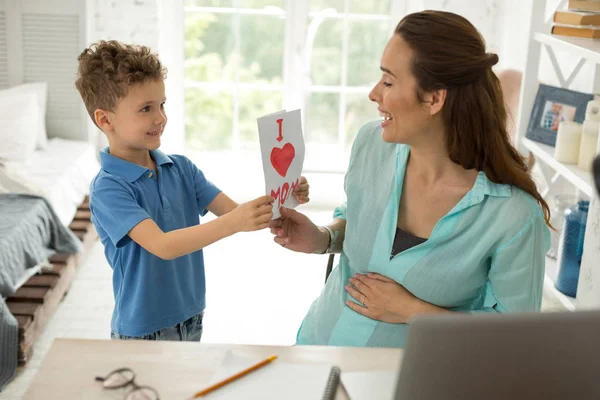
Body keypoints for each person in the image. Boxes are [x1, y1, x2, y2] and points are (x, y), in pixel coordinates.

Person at [270, 10, 551, 348]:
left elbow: (516, 336)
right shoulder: (372, 144)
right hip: (318, 348)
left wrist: (412, 311)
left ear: (434, 98)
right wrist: (322, 238)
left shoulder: (514, 216)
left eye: (388, 82)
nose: (374, 93)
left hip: (411, 381)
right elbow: (357, 215)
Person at [75, 40, 310, 341]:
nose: (160, 117)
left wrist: (285, 195)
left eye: (161, 105)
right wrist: (234, 223)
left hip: (191, 315)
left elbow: (236, 213)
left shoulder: (181, 168)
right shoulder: (109, 188)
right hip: (142, 329)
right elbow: (162, 245)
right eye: (145, 109)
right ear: (105, 119)